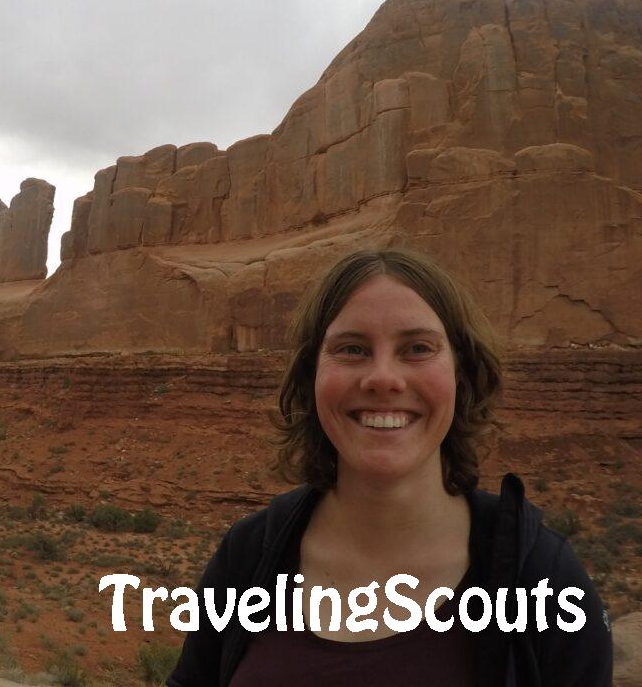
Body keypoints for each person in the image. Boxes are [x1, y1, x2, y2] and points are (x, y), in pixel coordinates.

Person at [167, 248, 612, 687]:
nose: (383, 378)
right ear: (311, 375)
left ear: (461, 370)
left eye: (417, 348)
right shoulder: (249, 556)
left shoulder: (542, 579)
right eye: (353, 349)